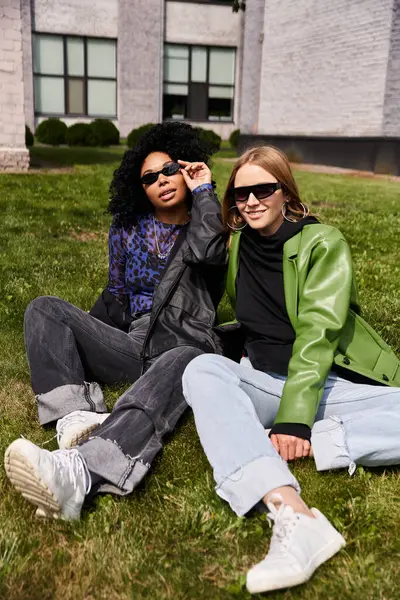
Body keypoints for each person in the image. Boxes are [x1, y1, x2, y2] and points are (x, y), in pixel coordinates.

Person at [182, 145, 400, 594]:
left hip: (327, 384)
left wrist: (297, 424)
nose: (252, 201)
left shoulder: (324, 243)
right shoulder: (238, 243)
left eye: (264, 189)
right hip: (263, 380)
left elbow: (318, 335)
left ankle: (330, 439)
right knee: (202, 370)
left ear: (286, 192)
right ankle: (293, 513)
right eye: (241, 194)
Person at [4, 122, 226, 521]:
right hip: (135, 342)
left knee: (181, 360)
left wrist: (204, 190)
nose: (161, 180)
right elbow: (116, 294)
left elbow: (210, 252)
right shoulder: (126, 228)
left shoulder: (205, 224)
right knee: (44, 308)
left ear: (186, 169)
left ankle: (82, 471)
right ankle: (74, 419)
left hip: (182, 344)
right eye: (149, 178)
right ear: (139, 188)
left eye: (170, 169)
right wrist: (89, 336)